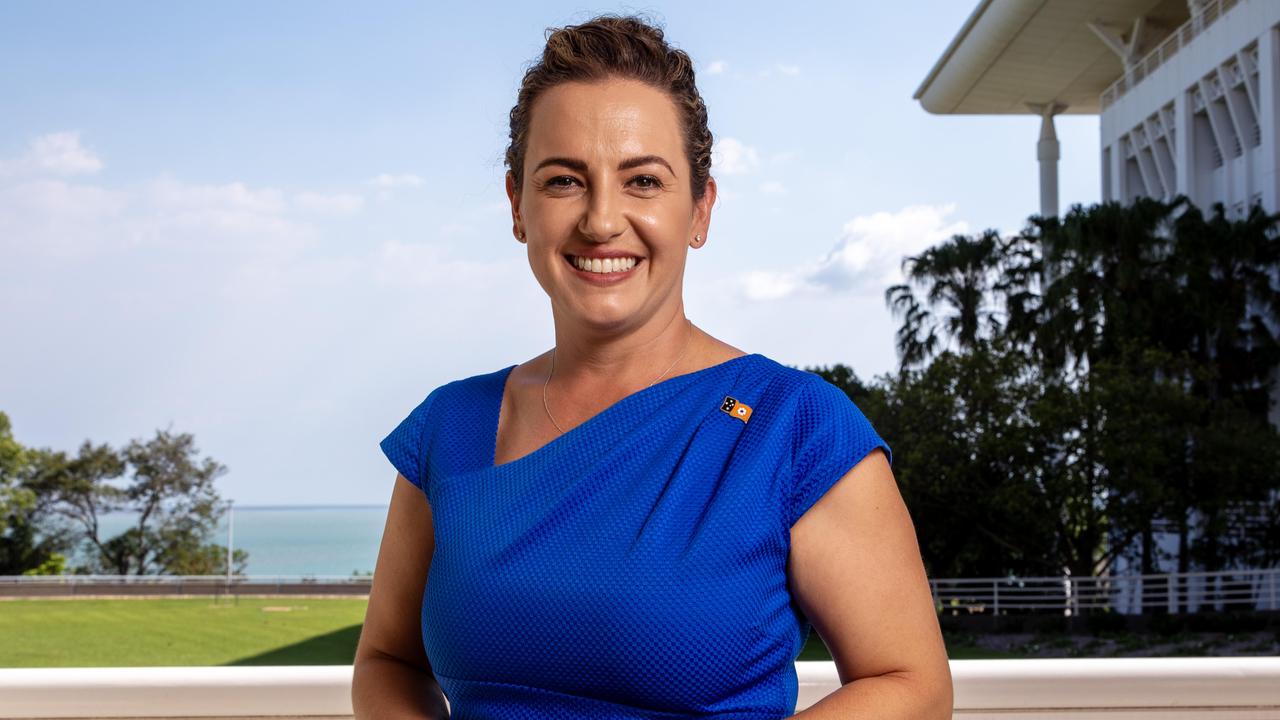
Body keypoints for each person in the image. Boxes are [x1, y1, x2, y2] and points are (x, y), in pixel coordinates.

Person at [352, 13, 952, 720]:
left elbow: (912, 684)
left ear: (700, 208)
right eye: (563, 181)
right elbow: (386, 661)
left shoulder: (795, 427)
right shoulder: (448, 428)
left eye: (642, 181)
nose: (602, 221)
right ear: (518, 206)